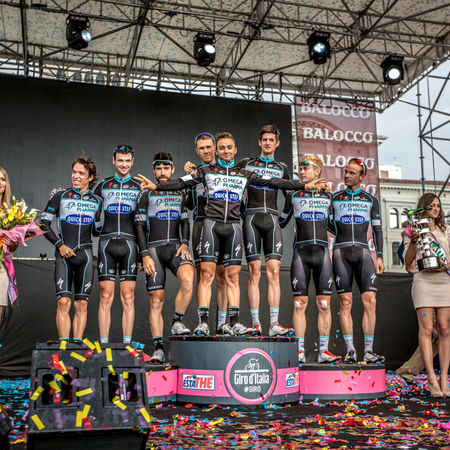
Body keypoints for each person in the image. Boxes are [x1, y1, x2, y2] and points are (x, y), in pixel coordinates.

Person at [136, 132, 327, 337]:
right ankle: (203, 323)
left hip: (234, 228)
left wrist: (303, 186)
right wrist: (157, 186)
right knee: (207, 275)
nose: (226, 151)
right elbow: (181, 182)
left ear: (235, 150)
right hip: (211, 226)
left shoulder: (244, 173)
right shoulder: (205, 171)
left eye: (229, 147)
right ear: (217, 151)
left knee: (233, 277)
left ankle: (234, 323)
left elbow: (275, 182)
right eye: (222, 148)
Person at [135, 153, 195, 363]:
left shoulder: (180, 191)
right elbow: (139, 226)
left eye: (166, 168)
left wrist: (185, 243)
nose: (162, 172)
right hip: (153, 250)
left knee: (188, 279)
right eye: (158, 169)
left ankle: (177, 321)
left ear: (172, 169)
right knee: (156, 300)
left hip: (177, 247)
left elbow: (185, 221)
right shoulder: (145, 194)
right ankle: (158, 348)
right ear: (154, 170)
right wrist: (144, 255)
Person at [280, 156, 340, 363]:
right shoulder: (294, 194)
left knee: (324, 304)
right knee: (299, 304)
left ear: (317, 171)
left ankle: (323, 351)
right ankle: (299, 351)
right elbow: (281, 220)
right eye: (301, 169)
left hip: (322, 253)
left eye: (306, 169)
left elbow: (335, 227)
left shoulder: (328, 196)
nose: (302, 172)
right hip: (301, 253)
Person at [237, 125, 294, 337]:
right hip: (251, 219)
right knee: (254, 271)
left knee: (274, 272)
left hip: (272, 220)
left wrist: (282, 219)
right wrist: (243, 213)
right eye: (265, 140)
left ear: (277, 143)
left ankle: (274, 324)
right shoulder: (247, 163)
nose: (268, 143)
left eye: (272, 140)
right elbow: (234, 186)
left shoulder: (281, 167)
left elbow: (289, 196)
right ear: (259, 142)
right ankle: (256, 324)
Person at [41, 157, 102, 342]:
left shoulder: (97, 201)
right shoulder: (60, 195)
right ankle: (63, 349)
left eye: (81, 173)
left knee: (81, 304)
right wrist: (60, 245)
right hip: (64, 255)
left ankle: (76, 346)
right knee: (64, 302)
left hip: (85, 256)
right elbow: (43, 224)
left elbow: (97, 231)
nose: (76, 176)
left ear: (90, 177)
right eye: (74, 172)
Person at [331, 158, 385, 364]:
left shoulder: (371, 200)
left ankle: (369, 351)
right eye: (346, 171)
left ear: (362, 177)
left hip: (363, 252)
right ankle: (350, 350)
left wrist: (380, 256)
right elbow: (326, 224)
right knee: (345, 302)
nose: (347, 175)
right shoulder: (335, 198)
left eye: (352, 173)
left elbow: (377, 229)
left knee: (370, 301)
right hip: (341, 253)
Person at [403, 193, 450, 397]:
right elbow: (408, 264)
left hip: (444, 282)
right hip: (423, 281)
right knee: (427, 329)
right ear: (423, 207)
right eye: (432, 206)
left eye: (438, 206)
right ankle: (431, 378)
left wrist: (446, 265)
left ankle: (444, 378)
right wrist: (413, 243)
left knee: (445, 329)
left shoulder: (446, 229)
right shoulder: (412, 230)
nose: (436, 209)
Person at [94, 145, 141, 345]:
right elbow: (92, 210)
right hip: (107, 243)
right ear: (114, 161)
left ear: (132, 162)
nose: (124, 164)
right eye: (120, 160)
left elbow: (143, 222)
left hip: (130, 245)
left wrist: (142, 253)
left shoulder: (139, 186)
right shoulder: (103, 185)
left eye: (127, 161)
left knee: (128, 297)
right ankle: (104, 345)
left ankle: (127, 346)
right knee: (105, 296)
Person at [184, 133, 227, 333]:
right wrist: (191, 181)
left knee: (223, 275)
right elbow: (190, 205)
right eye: (202, 148)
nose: (206, 151)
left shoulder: (225, 170)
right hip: (201, 224)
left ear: (215, 148)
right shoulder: (195, 172)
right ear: (197, 151)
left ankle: (222, 324)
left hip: (223, 225)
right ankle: (203, 323)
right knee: (202, 274)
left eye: (209, 147)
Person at [0, 167, 19, 322]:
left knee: (0, 305)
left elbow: (14, 246)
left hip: (2, 265)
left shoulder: (11, 212)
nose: (0, 182)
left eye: (3, 179)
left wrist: (12, 243)